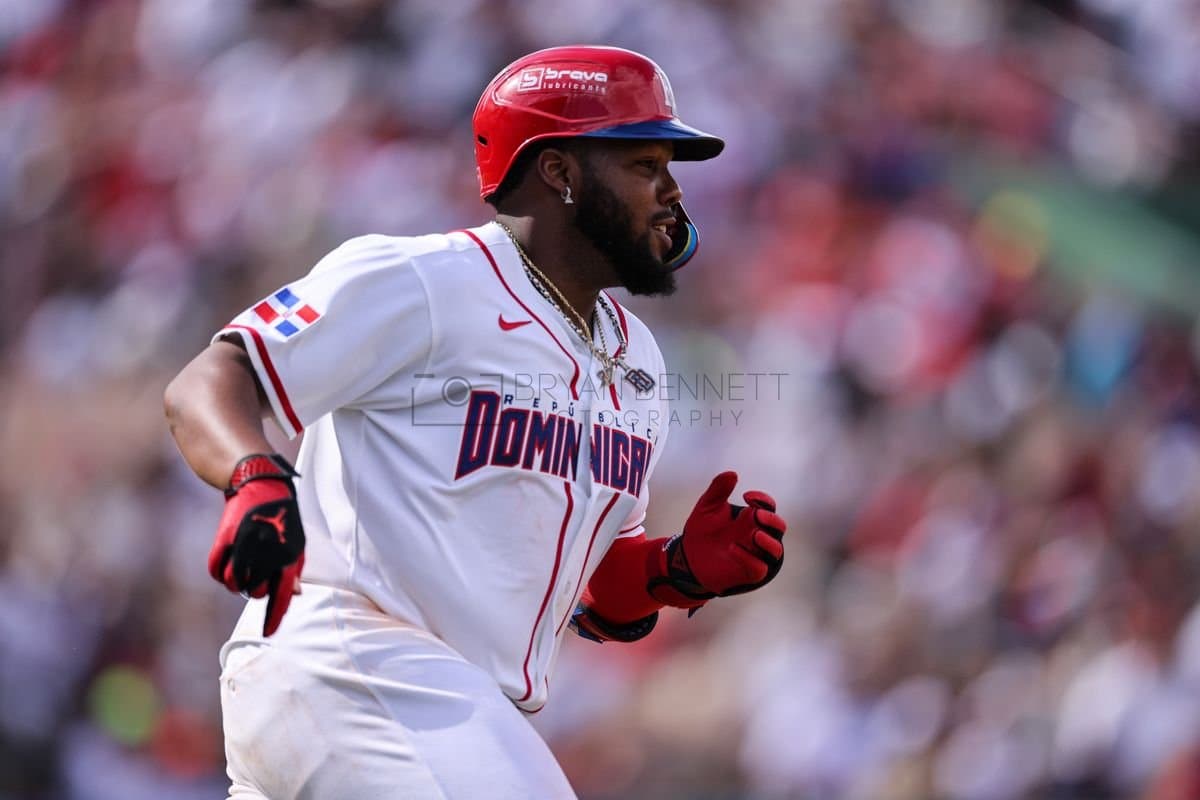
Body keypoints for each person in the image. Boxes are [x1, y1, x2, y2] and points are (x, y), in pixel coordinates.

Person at [164, 45, 787, 800]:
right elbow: (213, 377)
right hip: (351, 660)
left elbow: (594, 593)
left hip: (442, 708)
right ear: (558, 172)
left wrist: (672, 571)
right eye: (643, 163)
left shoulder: (638, 361)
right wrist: (253, 476)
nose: (670, 191)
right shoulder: (426, 280)